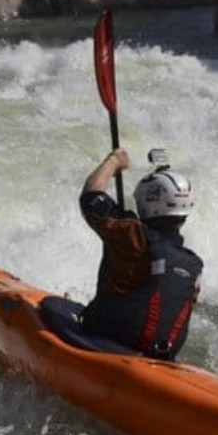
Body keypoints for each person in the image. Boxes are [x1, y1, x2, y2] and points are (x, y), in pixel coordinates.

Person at [78, 148, 203, 360]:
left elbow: (91, 199)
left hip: (108, 343)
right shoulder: (194, 264)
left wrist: (113, 161)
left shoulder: (133, 236)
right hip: (159, 356)